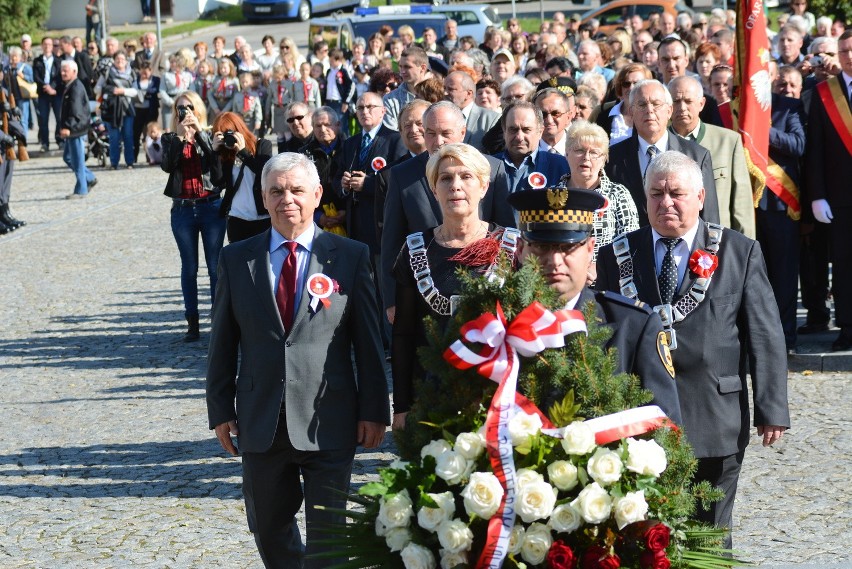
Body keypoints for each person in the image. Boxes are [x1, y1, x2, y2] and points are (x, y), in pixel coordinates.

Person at [596, 151, 790, 548]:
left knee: (710, 539)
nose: (665, 202)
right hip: (641, 418)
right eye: (656, 194)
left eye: (676, 194)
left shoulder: (738, 252)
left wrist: (772, 409)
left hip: (715, 417)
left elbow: (765, 334)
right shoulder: (616, 255)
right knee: (645, 539)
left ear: (700, 197)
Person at [206, 151, 389, 569]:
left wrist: (375, 409)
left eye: (296, 189)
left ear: (318, 194)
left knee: (330, 535)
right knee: (268, 528)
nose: (287, 198)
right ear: (264, 198)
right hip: (262, 418)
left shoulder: (350, 255)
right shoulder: (237, 258)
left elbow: (369, 343)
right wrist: (220, 408)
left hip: (332, 417)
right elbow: (222, 341)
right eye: (276, 191)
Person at [509, 186, 681, 423]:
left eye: (568, 247)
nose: (555, 261)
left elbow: (665, 427)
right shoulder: (493, 325)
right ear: (519, 249)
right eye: (541, 247)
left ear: (590, 249)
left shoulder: (633, 326)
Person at [392, 143, 518, 429]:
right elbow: (404, 334)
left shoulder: (512, 247)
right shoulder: (415, 250)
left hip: (499, 398)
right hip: (432, 398)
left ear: (484, 186)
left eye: (466, 176)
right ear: (434, 189)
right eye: (445, 178)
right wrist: (401, 407)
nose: (455, 186)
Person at [380, 102, 517, 324]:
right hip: (426, 292)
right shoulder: (401, 175)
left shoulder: (492, 169)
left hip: (485, 287)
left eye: (446, 133)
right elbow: (391, 242)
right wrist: (391, 300)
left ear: (462, 133)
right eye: (431, 134)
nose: (438, 141)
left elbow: (507, 232)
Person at [605, 79, 719, 227]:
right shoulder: (612, 157)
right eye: (642, 104)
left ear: (669, 110)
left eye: (656, 104)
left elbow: (709, 216)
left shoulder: (696, 156)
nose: (649, 110)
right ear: (631, 112)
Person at [160, 91, 226, 342]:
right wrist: (179, 137)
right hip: (184, 209)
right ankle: (192, 323)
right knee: (189, 267)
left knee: (214, 267)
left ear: (198, 109)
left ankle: (218, 322)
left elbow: (216, 165)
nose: (185, 112)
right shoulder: (170, 138)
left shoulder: (209, 134)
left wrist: (199, 133)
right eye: (180, 108)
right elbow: (167, 166)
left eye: (189, 107)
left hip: (210, 206)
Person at [805, 30, 852, 351]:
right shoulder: (825, 93)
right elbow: (816, 150)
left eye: (851, 50)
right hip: (840, 197)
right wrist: (817, 194)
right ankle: (848, 327)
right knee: (845, 265)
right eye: (844, 50)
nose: (849, 55)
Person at [668, 76, 754, 238]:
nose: (682, 107)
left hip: (717, 240)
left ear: (701, 104)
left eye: (688, 101)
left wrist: (743, 249)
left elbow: (741, 204)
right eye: (676, 101)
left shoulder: (728, 141)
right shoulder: (659, 143)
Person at [333, 92, 406, 260]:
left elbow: (399, 182)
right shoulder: (350, 142)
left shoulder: (394, 140)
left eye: (370, 107)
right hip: (354, 225)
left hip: (380, 223)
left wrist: (368, 184)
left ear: (383, 111)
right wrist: (343, 185)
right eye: (360, 108)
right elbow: (336, 178)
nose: (365, 111)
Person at [563, 121, 639, 261]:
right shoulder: (552, 195)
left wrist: (600, 269)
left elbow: (631, 244)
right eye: (579, 150)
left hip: (606, 280)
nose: (586, 157)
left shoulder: (618, 195)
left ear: (604, 158)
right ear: (567, 153)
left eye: (594, 153)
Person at [210, 112, 273, 243]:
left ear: (239, 130)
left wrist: (243, 152)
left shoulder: (262, 145)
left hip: (263, 218)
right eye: (220, 134)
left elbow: (264, 172)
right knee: (238, 262)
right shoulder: (225, 154)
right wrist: (215, 153)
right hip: (236, 219)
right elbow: (217, 181)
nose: (227, 138)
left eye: (228, 133)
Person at [497, 100, 569, 194]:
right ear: (504, 131)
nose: (519, 137)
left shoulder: (561, 166)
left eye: (526, 130)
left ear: (540, 132)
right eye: (513, 130)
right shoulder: (488, 166)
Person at [298, 107, 345, 237]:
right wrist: (318, 216)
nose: (323, 129)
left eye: (327, 124)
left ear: (338, 125)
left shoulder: (351, 148)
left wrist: (346, 212)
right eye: (318, 126)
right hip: (316, 221)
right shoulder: (304, 154)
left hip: (349, 219)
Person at [59, 60, 97, 199]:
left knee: (77, 160)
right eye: (62, 70)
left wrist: (68, 127)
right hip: (74, 128)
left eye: (66, 70)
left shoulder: (75, 87)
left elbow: (76, 111)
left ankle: (81, 189)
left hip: (76, 129)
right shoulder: (71, 85)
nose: (63, 73)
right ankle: (90, 177)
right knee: (69, 157)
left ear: (74, 72)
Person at [96, 50, 137, 170]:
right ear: (114, 60)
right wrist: (109, 91)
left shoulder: (132, 73)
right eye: (117, 59)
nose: (120, 62)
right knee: (114, 137)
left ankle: (130, 162)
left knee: (128, 136)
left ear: (126, 61)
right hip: (112, 110)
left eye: (122, 59)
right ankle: (114, 163)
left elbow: (136, 91)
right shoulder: (107, 73)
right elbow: (97, 88)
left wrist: (123, 91)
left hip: (127, 109)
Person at [382, 46, 429, 130]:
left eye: (407, 67)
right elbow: (391, 135)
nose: (402, 71)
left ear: (422, 68)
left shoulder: (438, 95)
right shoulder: (390, 99)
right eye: (401, 66)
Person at [33, 37, 63, 153]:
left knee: (59, 118)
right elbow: (36, 77)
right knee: (43, 119)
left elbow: (59, 77)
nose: (47, 46)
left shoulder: (58, 60)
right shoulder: (38, 61)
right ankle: (45, 143)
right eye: (45, 44)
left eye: (50, 44)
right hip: (43, 93)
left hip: (56, 93)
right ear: (42, 45)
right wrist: (45, 86)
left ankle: (60, 140)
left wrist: (53, 87)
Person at [533, 86, 576, 157]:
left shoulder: (580, 148)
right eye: (542, 114)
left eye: (555, 113)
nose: (549, 120)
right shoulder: (525, 150)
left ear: (568, 117)